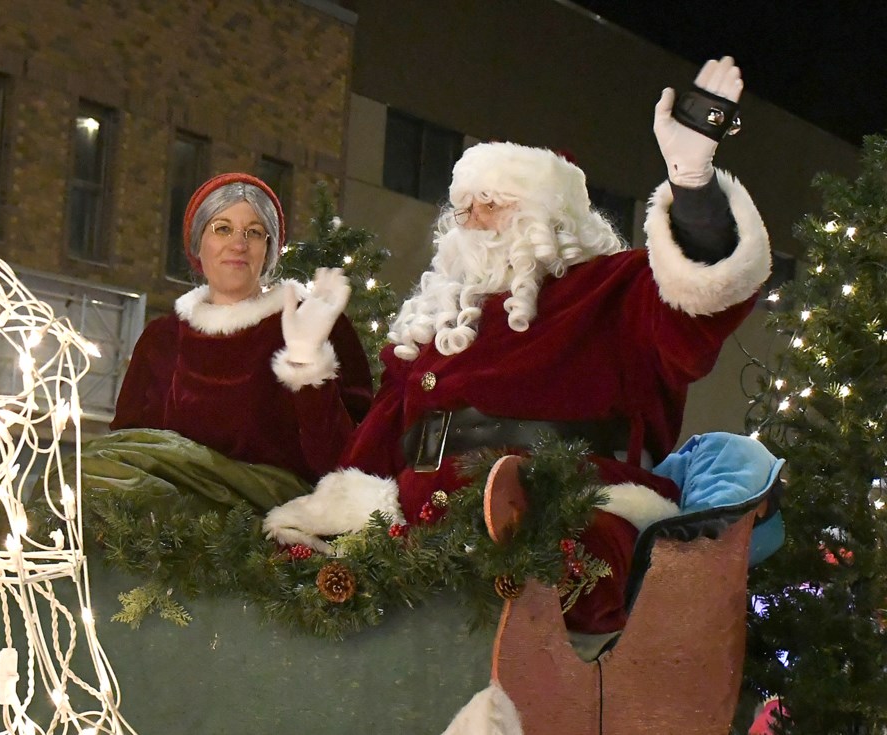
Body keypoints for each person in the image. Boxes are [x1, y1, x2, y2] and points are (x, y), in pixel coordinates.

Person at [263, 57, 770, 640]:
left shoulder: (612, 289)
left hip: (572, 506)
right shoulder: (432, 328)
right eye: (464, 208)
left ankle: (512, 526)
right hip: (418, 515)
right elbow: (361, 459)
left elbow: (703, 296)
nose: (472, 222)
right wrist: (306, 370)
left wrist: (691, 181)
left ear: (547, 217)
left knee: (555, 554)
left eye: (493, 203)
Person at [72, 172, 373, 515]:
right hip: (167, 536)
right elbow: (130, 451)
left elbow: (346, 463)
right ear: (198, 243)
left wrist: (306, 364)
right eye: (223, 228)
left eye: (255, 232)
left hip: (270, 537)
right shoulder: (162, 339)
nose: (239, 244)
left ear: (268, 250)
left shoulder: (313, 322)